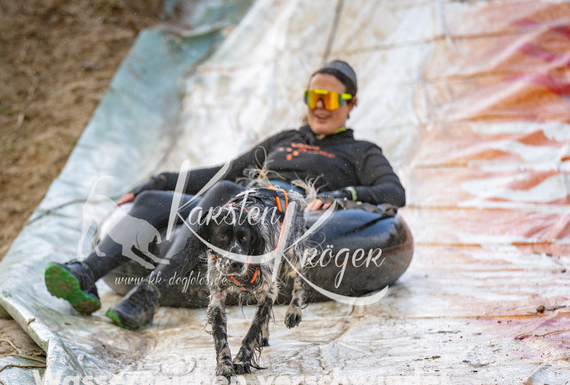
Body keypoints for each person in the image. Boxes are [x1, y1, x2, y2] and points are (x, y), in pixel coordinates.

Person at [44, 60, 406, 330]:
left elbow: (393, 192)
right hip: (232, 203)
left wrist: (345, 193)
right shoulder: (286, 139)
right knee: (155, 201)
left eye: (330, 98)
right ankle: (85, 272)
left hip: (278, 217)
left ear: (351, 104)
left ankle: (149, 294)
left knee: (225, 193)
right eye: (313, 97)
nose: (320, 106)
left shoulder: (360, 152)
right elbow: (225, 170)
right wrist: (158, 180)